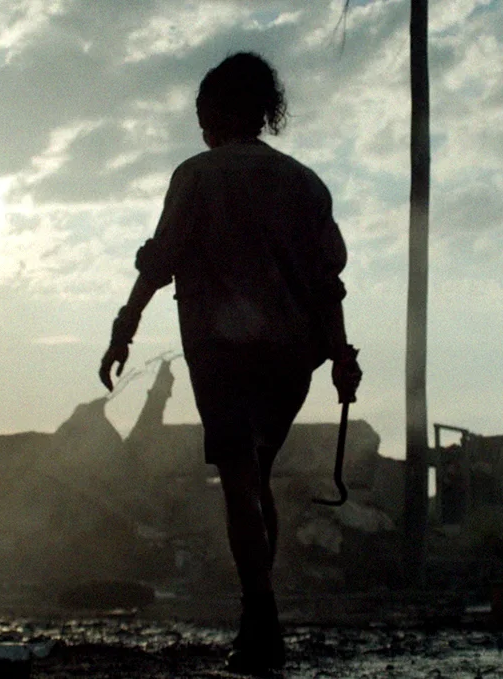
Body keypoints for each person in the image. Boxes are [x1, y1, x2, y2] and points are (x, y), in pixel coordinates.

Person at [99, 51, 361, 677]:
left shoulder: (196, 176)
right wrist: (340, 355)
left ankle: (260, 621)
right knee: (257, 475)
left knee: (240, 480)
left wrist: (125, 326)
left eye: (203, 112)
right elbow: (327, 283)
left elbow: (159, 261)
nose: (200, 125)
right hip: (292, 356)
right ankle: (261, 616)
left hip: (221, 353)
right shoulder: (306, 184)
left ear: (219, 112)